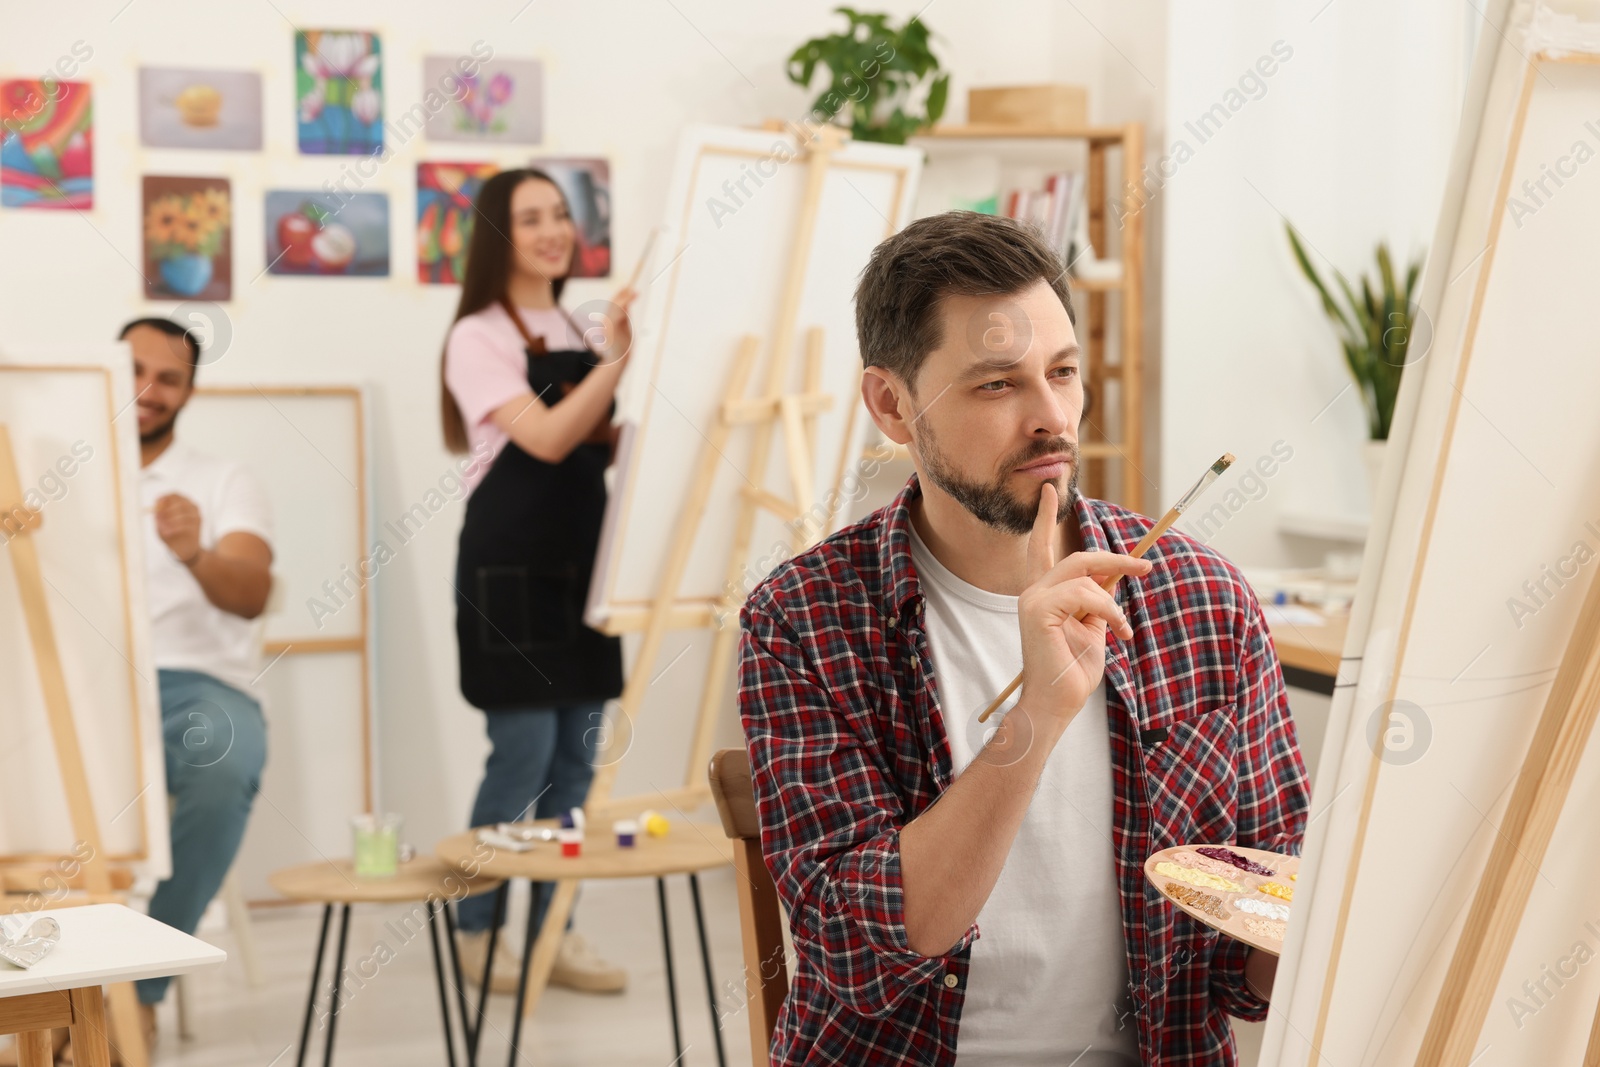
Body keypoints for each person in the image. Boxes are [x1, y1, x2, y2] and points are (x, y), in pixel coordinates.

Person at [736, 212, 1310, 1065]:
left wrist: (1330, 914)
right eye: (997, 385)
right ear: (892, 404)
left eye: (1064, 372)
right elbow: (867, 956)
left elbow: (1244, 969)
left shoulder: (1200, 597)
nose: (1052, 418)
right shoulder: (804, 617)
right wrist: (1037, 714)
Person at [440, 168, 634, 994]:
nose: (553, 229)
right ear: (498, 234)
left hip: (582, 570)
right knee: (520, 756)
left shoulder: (573, 325)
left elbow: (599, 438)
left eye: (560, 214)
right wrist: (619, 361)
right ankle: (477, 927)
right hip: (509, 571)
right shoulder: (476, 336)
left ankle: (555, 930)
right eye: (531, 218)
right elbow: (552, 436)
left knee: (575, 766)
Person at [129, 317, 274, 1047]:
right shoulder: (37, 468)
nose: (147, 390)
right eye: (133, 369)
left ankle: (135, 988)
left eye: (170, 377)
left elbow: (251, 591)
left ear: (191, 391)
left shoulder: (221, 479)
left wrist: (194, 555)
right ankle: (41, 993)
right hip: (82, 689)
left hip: (195, 685)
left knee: (223, 761)